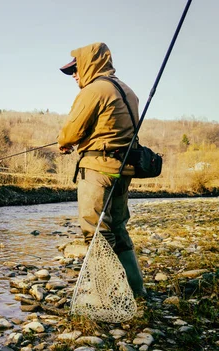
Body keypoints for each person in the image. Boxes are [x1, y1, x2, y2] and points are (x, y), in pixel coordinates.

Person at [57, 42, 146, 297]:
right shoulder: (127, 91)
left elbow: (70, 132)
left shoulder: (94, 90)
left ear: (90, 64)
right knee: (117, 228)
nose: (74, 75)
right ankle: (135, 291)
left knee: (95, 232)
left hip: (97, 170)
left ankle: (106, 297)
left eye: (76, 68)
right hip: (122, 170)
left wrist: (65, 143)